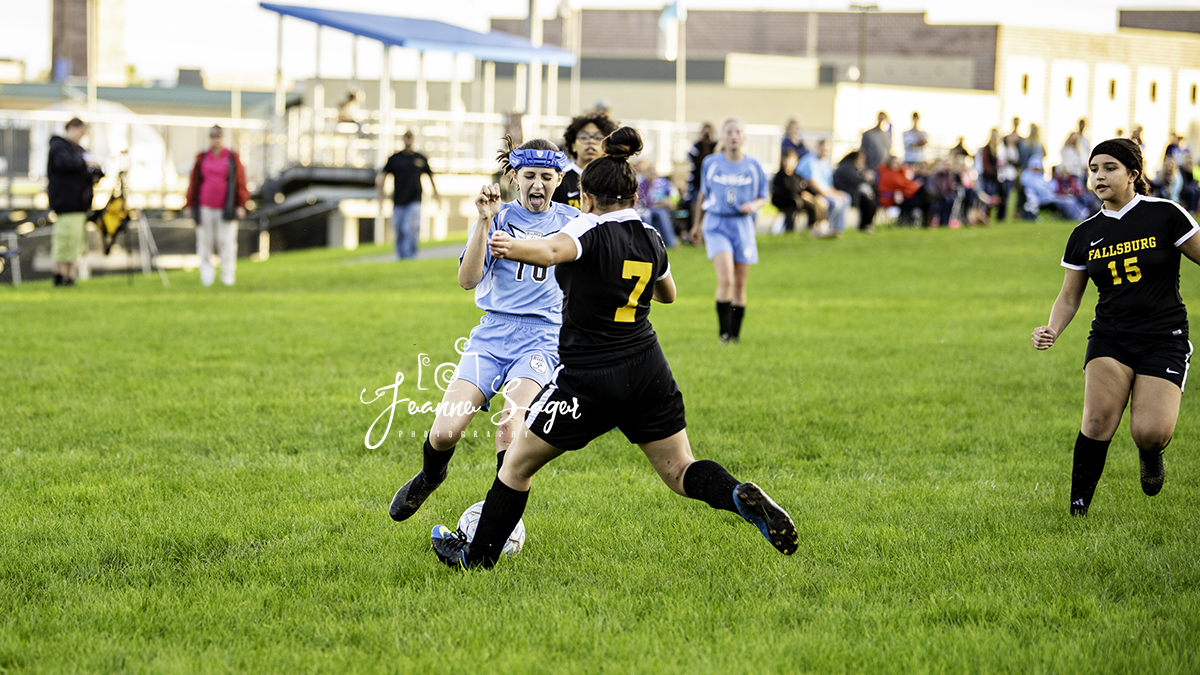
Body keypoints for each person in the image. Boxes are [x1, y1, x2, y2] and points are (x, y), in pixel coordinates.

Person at [428, 127, 799, 570]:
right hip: (648, 370)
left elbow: (549, 252)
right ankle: (737, 494)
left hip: (587, 380)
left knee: (515, 468)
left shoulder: (584, 230)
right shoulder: (650, 237)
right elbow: (669, 295)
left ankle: (475, 558)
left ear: (585, 197)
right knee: (681, 471)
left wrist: (508, 244)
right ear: (634, 195)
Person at [389, 137, 580, 522]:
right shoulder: (500, 217)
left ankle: (500, 521)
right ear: (514, 176)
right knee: (444, 434)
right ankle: (430, 476)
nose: (537, 185)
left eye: (546, 176)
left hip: (542, 340)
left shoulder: (572, 223)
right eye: (529, 176)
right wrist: (483, 220)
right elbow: (467, 279)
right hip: (492, 335)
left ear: (559, 178)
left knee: (510, 429)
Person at [1032, 138, 1200, 516]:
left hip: (1164, 339)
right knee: (1096, 420)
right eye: (1093, 169)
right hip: (1110, 337)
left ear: (1133, 174)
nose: (1099, 176)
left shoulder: (1166, 214)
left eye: (1109, 168)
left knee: (1150, 432)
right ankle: (1077, 512)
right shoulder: (1084, 234)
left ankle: (1151, 453)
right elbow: (1070, 297)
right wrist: (1052, 329)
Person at [689, 118, 769, 343]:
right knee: (727, 280)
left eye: (738, 132)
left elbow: (764, 195)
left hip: (742, 226)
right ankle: (723, 334)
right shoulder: (712, 163)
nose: (734, 136)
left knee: (740, 284)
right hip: (717, 224)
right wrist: (697, 224)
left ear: (744, 137)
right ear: (723, 137)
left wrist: (753, 205)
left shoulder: (753, 165)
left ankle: (734, 336)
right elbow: (703, 194)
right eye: (729, 132)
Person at [186, 125, 249, 286]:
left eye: (219, 136)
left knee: (226, 241)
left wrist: (241, 203)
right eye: (213, 136)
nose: (216, 140)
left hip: (225, 207)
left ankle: (227, 275)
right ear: (210, 138)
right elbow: (194, 182)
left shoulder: (232, 157)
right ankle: (207, 275)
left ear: (223, 138)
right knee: (205, 242)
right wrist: (189, 203)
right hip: (205, 206)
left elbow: (240, 181)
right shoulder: (202, 157)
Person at [47, 117, 100, 287]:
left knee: (76, 242)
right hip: (66, 204)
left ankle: (70, 276)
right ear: (71, 127)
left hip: (79, 205)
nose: (81, 136)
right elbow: (64, 164)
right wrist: (86, 164)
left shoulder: (79, 150)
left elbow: (85, 172)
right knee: (65, 241)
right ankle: (60, 275)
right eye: (80, 131)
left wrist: (96, 171)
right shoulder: (59, 147)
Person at [377, 130, 442, 260]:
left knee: (410, 228)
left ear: (413, 139)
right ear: (403, 139)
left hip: (415, 200)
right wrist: (380, 199)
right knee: (399, 230)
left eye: (410, 137)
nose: (408, 140)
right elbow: (382, 177)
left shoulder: (420, 158)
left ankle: (410, 256)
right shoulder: (395, 159)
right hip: (398, 201)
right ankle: (401, 257)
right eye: (406, 137)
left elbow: (431, 177)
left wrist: (437, 197)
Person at [552, 110, 619, 210]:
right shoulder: (559, 179)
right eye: (584, 137)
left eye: (597, 137)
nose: (591, 141)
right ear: (573, 145)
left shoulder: (613, 179)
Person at [797, 139, 850, 237]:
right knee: (835, 202)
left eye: (827, 149)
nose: (824, 151)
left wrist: (836, 193)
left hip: (825, 192)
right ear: (818, 148)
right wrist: (829, 195)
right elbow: (812, 184)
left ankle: (837, 229)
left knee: (846, 198)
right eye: (823, 148)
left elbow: (828, 185)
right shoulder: (810, 161)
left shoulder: (825, 163)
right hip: (810, 193)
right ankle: (827, 229)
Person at [771, 149, 823, 233]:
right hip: (786, 200)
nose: (788, 163)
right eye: (786, 160)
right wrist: (802, 195)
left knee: (818, 204)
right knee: (812, 205)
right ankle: (810, 228)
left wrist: (815, 196)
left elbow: (804, 187)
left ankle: (817, 227)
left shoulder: (796, 176)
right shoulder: (781, 176)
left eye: (791, 161)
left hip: (798, 199)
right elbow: (789, 190)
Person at [682, 123, 717, 231]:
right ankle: (696, 229)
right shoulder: (697, 146)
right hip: (697, 183)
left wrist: (711, 142)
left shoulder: (716, 146)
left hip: (713, 183)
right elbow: (690, 157)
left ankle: (708, 230)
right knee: (695, 205)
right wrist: (701, 142)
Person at [635, 161, 679, 248]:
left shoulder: (662, 183)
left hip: (658, 208)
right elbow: (646, 202)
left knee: (662, 212)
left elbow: (674, 195)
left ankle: (670, 242)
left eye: (654, 173)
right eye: (651, 173)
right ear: (646, 173)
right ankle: (651, 242)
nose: (653, 175)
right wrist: (663, 203)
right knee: (656, 213)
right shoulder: (642, 184)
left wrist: (669, 202)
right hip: (644, 209)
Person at [832, 150, 877, 232]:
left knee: (870, 201)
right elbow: (855, 181)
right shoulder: (847, 167)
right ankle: (864, 226)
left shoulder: (850, 167)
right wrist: (865, 178)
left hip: (851, 193)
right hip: (847, 193)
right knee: (868, 203)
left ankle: (865, 225)